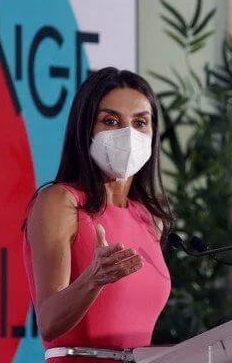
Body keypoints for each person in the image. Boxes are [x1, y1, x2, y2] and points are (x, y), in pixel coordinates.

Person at [22, 67, 175, 362]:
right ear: (85, 128)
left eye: (140, 123)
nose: (128, 134)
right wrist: (92, 279)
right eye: (111, 121)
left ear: (153, 134)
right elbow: (50, 323)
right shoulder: (60, 201)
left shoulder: (150, 218)